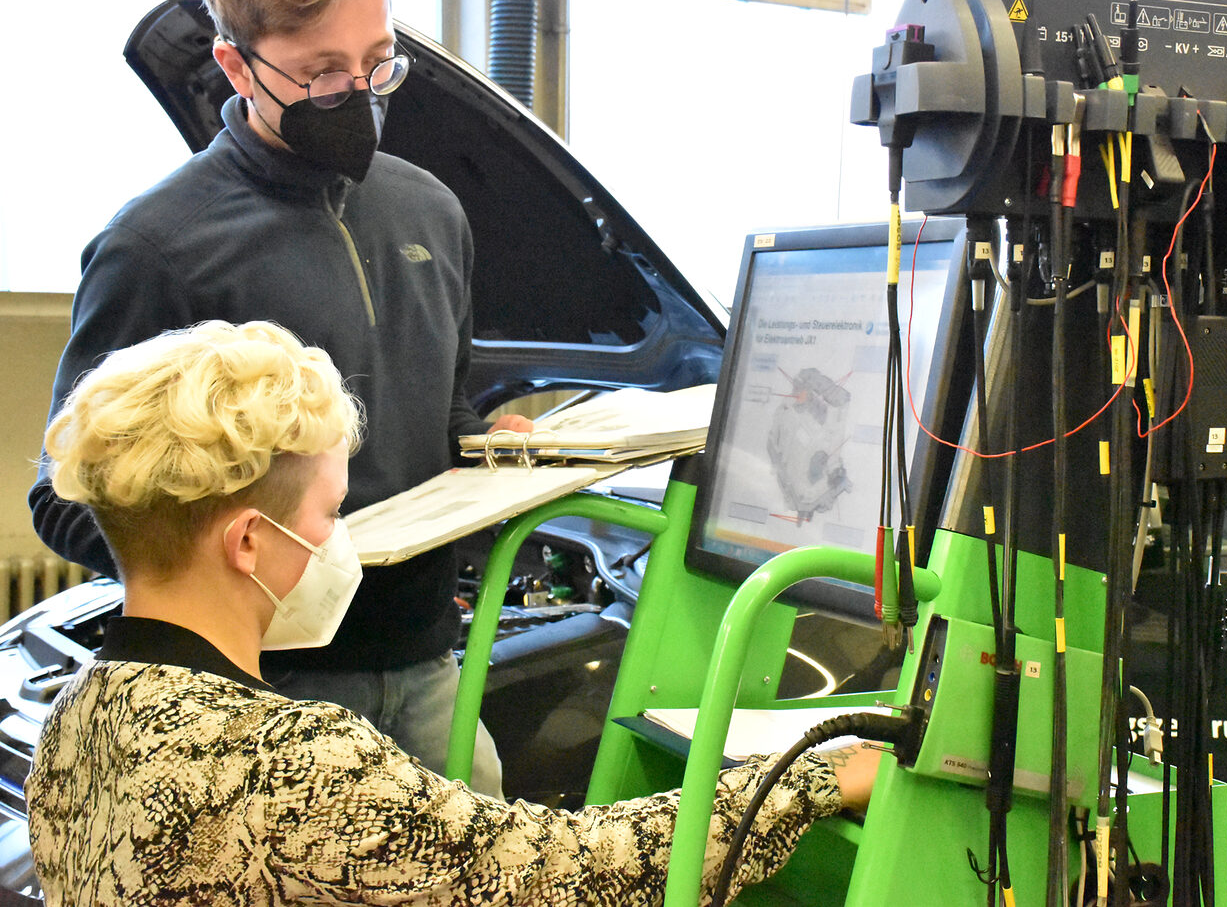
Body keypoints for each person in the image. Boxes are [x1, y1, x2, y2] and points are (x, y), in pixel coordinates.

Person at [27, 320, 879, 905]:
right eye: (328, 512)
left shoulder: (73, 722)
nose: (337, 539)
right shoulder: (286, 763)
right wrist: (813, 777)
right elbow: (562, 877)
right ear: (249, 541)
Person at [27, 0, 522, 795]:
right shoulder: (158, 248)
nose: (357, 95)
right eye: (320, 72)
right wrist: (248, 570)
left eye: (377, 63)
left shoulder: (432, 213)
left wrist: (500, 449)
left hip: (428, 676)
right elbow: (65, 497)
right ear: (234, 63)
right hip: (254, 698)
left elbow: (446, 416)